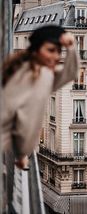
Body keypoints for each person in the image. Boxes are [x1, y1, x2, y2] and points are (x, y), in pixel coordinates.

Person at [2, 25, 79, 169]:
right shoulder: (23, 75)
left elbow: (71, 74)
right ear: (36, 50)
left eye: (58, 52)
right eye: (50, 50)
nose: (55, 56)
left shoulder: (44, 75)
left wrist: (71, 47)